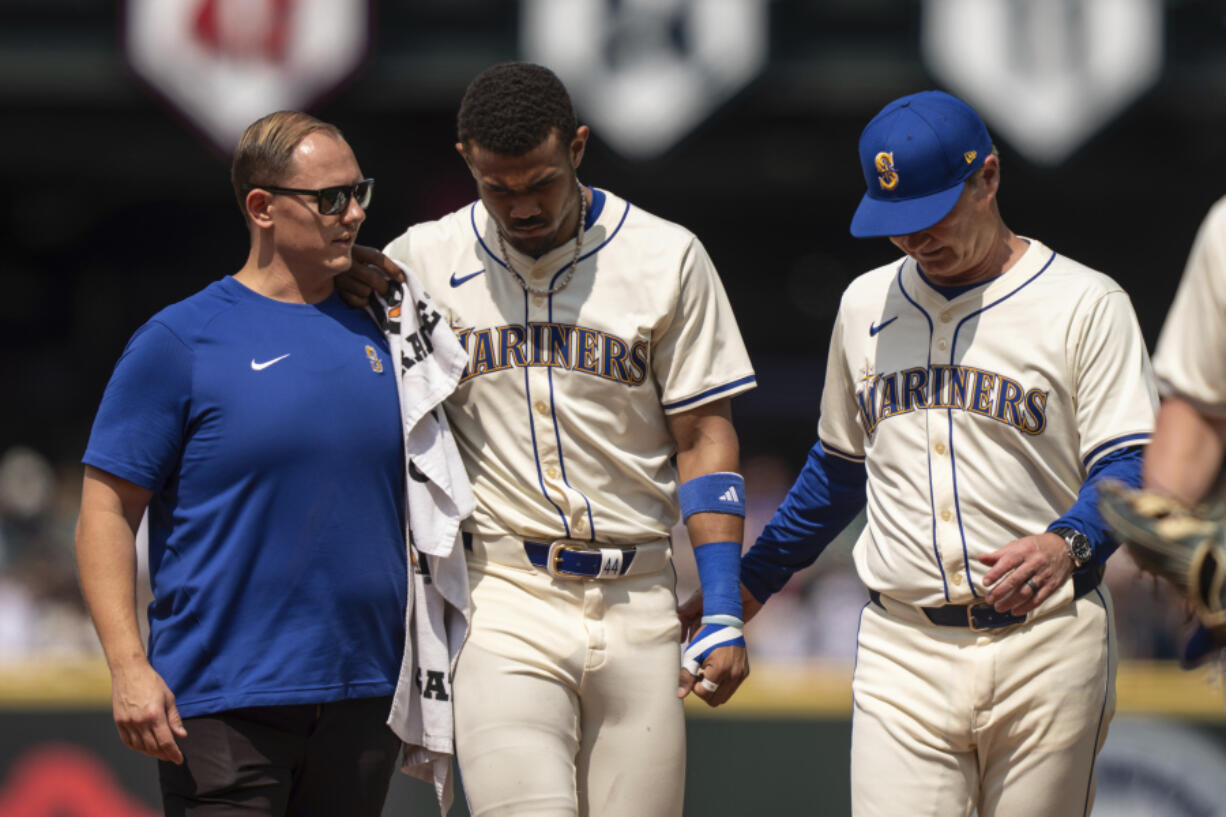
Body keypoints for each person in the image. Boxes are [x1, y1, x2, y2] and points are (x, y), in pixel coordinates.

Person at [731, 91, 1158, 816]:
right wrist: (745, 586)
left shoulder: (1085, 302)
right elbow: (838, 469)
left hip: (1047, 639)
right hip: (904, 645)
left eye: (932, 215)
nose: (914, 239)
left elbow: (1133, 460)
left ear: (987, 177)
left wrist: (1068, 540)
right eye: (897, 224)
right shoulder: (865, 303)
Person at [349, 62, 756, 817]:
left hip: (640, 594)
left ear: (577, 146)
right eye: (498, 187)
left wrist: (724, 604)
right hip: (504, 590)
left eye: (538, 181)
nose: (522, 205)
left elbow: (704, 435)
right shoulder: (422, 260)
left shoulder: (666, 256)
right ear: (467, 159)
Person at [75, 111, 409, 817]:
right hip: (223, 704)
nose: (354, 214)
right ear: (262, 206)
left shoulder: (390, 326)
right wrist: (128, 666)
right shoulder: (180, 340)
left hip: (364, 697)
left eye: (360, 192)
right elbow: (106, 509)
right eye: (330, 198)